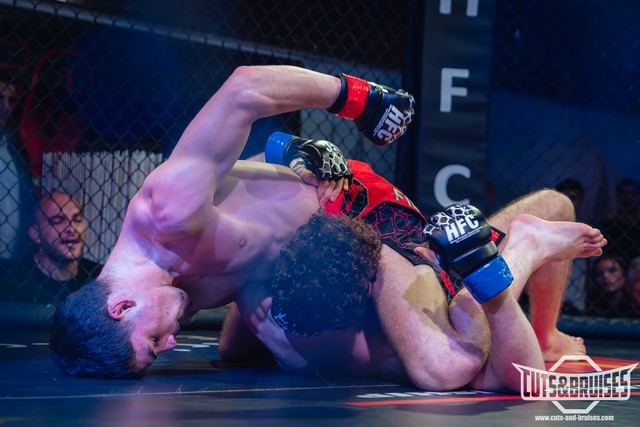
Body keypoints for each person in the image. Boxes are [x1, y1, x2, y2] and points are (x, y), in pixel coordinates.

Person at [49, 65, 415, 378]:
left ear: (122, 307)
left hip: (351, 208)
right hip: (317, 271)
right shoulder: (168, 295)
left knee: (432, 364)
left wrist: (360, 99)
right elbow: (233, 189)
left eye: (154, 341)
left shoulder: (167, 213)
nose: (171, 343)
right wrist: (281, 149)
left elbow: (244, 90)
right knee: (299, 360)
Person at [220, 200, 605, 392]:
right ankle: (525, 248)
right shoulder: (269, 298)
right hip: (401, 254)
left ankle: (541, 321)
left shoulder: (281, 318)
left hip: (398, 255)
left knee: (558, 204)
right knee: (555, 205)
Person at [0, 191, 102, 305]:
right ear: (36, 234)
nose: (72, 228)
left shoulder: (99, 276)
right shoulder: (12, 282)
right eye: (58, 221)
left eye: (77, 219)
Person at [0, 71, 35, 261]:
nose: (5, 107)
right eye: (0, 98)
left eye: (11, 100)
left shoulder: (16, 152)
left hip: (14, 262)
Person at [585, 252, 627, 317]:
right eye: (599, 273)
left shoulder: (634, 302)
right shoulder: (593, 306)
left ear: (624, 272)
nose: (605, 276)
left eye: (612, 270)